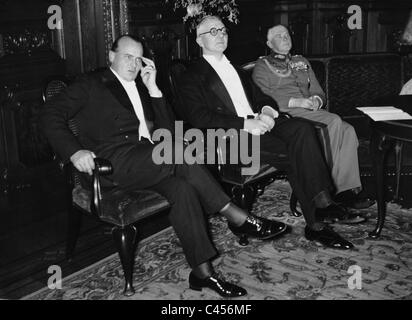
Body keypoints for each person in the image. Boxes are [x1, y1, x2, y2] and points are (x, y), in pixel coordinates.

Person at [40, 35, 290, 298]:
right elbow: (49, 116)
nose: (134, 64)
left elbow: (168, 132)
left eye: (139, 59)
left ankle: (203, 274)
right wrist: (74, 151)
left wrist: (154, 90)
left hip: (150, 161)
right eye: (127, 56)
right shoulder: (90, 84)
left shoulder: (142, 87)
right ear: (111, 57)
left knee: (183, 189)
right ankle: (235, 216)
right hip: (114, 164)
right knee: (176, 153)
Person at [177, 15, 364, 251]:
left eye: (223, 30)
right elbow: (199, 118)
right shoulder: (191, 75)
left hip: (261, 125)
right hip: (233, 137)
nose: (221, 35)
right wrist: (246, 124)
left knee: (303, 129)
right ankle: (318, 219)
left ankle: (322, 209)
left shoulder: (235, 67)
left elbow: (261, 97)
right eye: (213, 31)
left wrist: (266, 110)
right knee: (298, 152)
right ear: (199, 40)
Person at [252, 24, 374, 209]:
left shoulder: (302, 61)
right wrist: (295, 102)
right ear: (269, 43)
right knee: (334, 121)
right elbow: (262, 97)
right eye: (279, 36)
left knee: (348, 131)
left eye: (286, 34)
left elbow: (317, 90)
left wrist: (317, 100)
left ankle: (346, 190)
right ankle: (325, 190)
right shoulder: (262, 65)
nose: (285, 37)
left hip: (312, 111)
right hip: (287, 114)